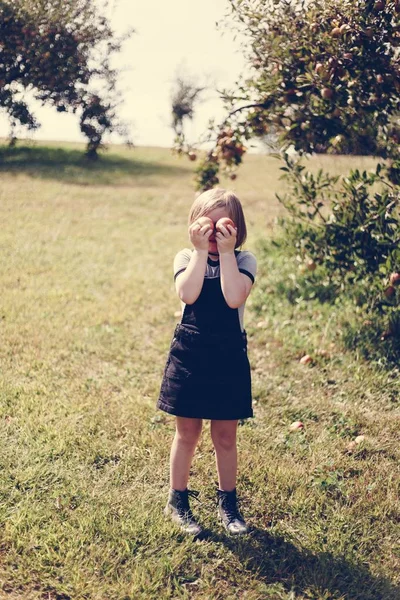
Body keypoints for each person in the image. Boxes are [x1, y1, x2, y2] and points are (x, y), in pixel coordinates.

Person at [156, 188, 257, 536]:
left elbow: (233, 297)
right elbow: (188, 293)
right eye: (206, 225)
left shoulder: (245, 262)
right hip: (191, 355)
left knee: (226, 436)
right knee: (187, 432)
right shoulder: (186, 256)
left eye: (223, 227)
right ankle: (178, 500)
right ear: (193, 226)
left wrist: (227, 254)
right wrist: (201, 251)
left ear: (238, 230)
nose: (214, 233)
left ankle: (228, 503)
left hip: (228, 358)